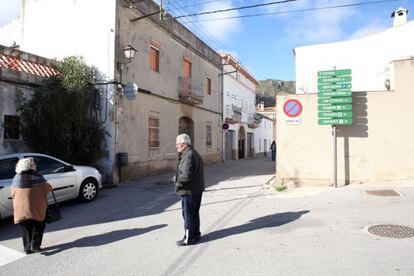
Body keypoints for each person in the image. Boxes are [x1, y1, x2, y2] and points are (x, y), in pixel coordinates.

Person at [10, 157, 52, 254]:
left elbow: (12, 191)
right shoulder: (37, 177)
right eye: (34, 164)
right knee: (39, 225)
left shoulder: (16, 177)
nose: (35, 166)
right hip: (36, 209)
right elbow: (48, 189)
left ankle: (27, 248)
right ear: (30, 167)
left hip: (21, 209)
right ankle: (36, 246)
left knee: (25, 229)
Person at [173, 134, 205, 246]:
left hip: (189, 191)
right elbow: (190, 172)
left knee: (188, 215)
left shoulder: (188, 155)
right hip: (196, 189)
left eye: (178, 144)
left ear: (185, 144)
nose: (176, 146)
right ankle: (196, 234)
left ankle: (189, 238)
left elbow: (186, 176)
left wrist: (177, 182)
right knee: (194, 213)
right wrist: (177, 177)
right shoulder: (193, 153)